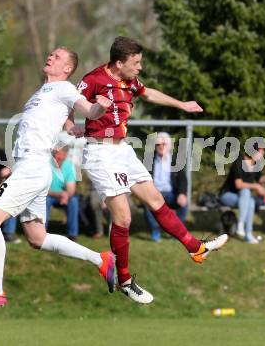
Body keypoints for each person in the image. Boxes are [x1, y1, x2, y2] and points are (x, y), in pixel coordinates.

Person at [67, 36, 228, 304]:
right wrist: (70, 124)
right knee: (124, 219)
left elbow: (149, 92)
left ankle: (195, 248)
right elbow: (69, 102)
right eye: (136, 63)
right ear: (119, 63)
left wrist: (181, 104)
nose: (140, 67)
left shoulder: (129, 81)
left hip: (123, 150)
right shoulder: (93, 79)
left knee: (156, 200)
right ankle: (125, 280)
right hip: (100, 153)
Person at [0, 46, 115, 309]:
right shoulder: (42, 92)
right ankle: (100, 259)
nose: (50, 57)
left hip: (33, 166)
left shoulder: (65, 87)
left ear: (67, 69)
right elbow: (66, 121)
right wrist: (73, 128)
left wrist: (97, 109)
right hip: (31, 167)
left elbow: (87, 109)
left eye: (57, 57)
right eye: (51, 54)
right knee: (37, 238)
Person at [219, 146, 265, 244]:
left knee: (251, 201)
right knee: (246, 191)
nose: (262, 156)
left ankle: (248, 235)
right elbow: (238, 185)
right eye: (260, 153)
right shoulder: (239, 162)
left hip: (243, 199)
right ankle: (241, 225)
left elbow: (259, 180)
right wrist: (256, 186)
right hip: (227, 195)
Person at [143, 132, 188, 242]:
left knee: (183, 204)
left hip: (171, 194)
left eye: (164, 144)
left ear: (169, 146)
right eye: (158, 144)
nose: (161, 147)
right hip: (154, 193)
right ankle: (155, 230)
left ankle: (176, 232)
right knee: (147, 203)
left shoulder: (176, 160)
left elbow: (183, 179)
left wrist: (182, 194)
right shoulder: (149, 160)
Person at [46, 147, 80, 240]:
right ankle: (41, 232)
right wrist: (58, 195)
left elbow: (71, 188)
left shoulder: (69, 165)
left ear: (66, 155)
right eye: (58, 154)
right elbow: (42, 189)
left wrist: (66, 195)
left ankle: (72, 234)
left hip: (63, 196)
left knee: (73, 201)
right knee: (44, 201)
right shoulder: (46, 163)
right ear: (53, 154)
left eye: (63, 154)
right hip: (48, 195)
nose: (60, 157)